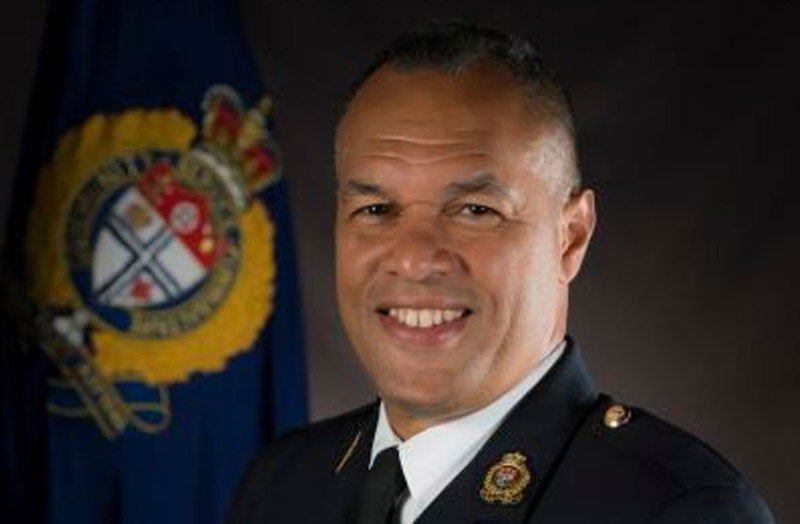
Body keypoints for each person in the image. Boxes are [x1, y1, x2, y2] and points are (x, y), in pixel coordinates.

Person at [226, 22, 776, 523]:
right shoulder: (281, 487)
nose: (413, 258)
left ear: (571, 237)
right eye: (376, 209)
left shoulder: (680, 510)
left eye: (475, 210)